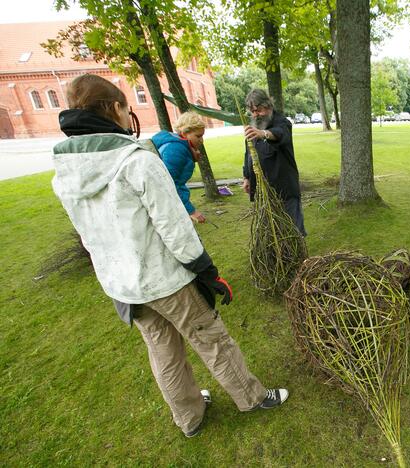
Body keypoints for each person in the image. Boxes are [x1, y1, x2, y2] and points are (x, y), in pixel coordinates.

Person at [51, 74, 288, 438]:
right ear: (114, 109)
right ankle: (253, 397)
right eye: (125, 106)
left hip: (125, 286)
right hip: (165, 279)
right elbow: (174, 227)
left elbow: (89, 237)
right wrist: (207, 271)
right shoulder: (136, 161)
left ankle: (189, 417)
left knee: (163, 350)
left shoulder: (66, 172)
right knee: (211, 337)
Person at [242, 89, 306, 236]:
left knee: (293, 228)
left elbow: (280, 133)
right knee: (272, 231)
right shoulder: (254, 126)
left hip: (284, 186)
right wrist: (246, 177)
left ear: (268, 106)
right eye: (252, 111)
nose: (255, 114)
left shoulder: (282, 123)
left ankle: (299, 256)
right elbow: (249, 153)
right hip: (263, 189)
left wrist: (263, 134)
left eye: (258, 110)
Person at [152, 112, 207, 223]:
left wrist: (191, 156)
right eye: (198, 136)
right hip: (162, 201)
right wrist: (191, 211)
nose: (201, 140)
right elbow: (170, 183)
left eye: (202, 136)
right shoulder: (175, 149)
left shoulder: (181, 146)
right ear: (185, 133)